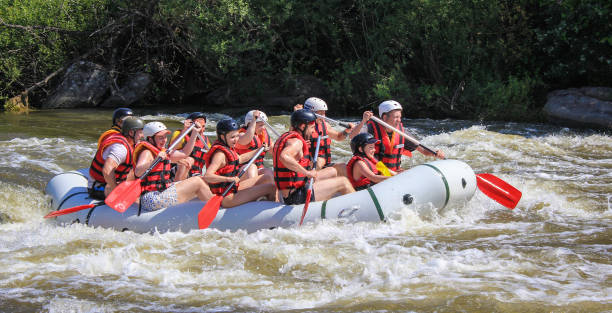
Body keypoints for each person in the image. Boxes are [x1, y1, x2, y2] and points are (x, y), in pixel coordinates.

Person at [273, 109, 355, 205]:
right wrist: (307, 173)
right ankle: (359, 206)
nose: (313, 131)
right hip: (296, 196)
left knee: (333, 171)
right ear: (303, 126)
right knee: (343, 182)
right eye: (312, 127)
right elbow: (284, 157)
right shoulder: (296, 142)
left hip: (298, 186)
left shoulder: (290, 137)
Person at [134, 121, 214, 212]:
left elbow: (185, 153)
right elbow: (138, 171)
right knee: (197, 182)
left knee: (200, 179)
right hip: (151, 198)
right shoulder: (147, 152)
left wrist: (194, 133)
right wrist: (154, 160)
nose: (164, 140)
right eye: (160, 138)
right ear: (150, 139)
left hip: (161, 191)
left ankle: (210, 204)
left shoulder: (162, 151)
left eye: (165, 137)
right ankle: (217, 208)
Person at [350, 100, 445, 172]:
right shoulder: (370, 128)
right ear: (384, 117)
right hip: (376, 171)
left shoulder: (402, 133)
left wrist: (435, 152)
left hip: (394, 171)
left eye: (400, 117)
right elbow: (352, 136)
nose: (399, 120)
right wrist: (363, 121)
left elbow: (423, 150)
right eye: (396, 117)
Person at [204, 118, 277, 208]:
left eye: (237, 136)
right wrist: (229, 179)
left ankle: (266, 204)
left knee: (266, 177)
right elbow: (207, 176)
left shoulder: (228, 147)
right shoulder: (220, 155)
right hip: (226, 196)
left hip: (231, 188)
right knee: (271, 188)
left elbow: (240, 158)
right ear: (223, 137)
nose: (236, 140)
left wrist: (258, 149)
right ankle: (271, 210)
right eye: (232, 137)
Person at [295, 97, 354, 176]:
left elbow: (338, 137)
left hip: (324, 164)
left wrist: (347, 131)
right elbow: (292, 136)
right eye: (321, 113)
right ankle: (312, 184)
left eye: (324, 113)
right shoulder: (302, 126)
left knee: (343, 167)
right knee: (319, 161)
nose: (324, 116)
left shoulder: (325, 125)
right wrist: (297, 115)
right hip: (310, 165)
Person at [88, 116, 144, 199]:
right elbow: (107, 171)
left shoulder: (130, 143)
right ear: (131, 133)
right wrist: (116, 191)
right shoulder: (120, 148)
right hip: (99, 187)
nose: (142, 136)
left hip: (112, 182)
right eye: (140, 132)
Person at [172, 112, 212, 181]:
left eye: (203, 126)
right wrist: (185, 130)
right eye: (198, 126)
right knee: (188, 161)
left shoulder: (205, 140)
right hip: (176, 171)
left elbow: (211, 158)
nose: (201, 129)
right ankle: (176, 188)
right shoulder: (180, 134)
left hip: (196, 173)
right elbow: (170, 152)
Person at [235, 110, 274, 179]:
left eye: (264, 124)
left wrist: (295, 122)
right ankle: (252, 187)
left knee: (269, 172)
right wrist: (254, 120)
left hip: (258, 168)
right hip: (241, 171)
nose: (263, 128)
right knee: (251, 169)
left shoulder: (263, 136)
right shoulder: (241, 136)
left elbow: (276, 151)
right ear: (250, 124)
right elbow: (247, 139)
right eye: (260, 125)